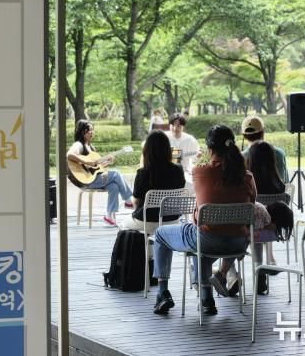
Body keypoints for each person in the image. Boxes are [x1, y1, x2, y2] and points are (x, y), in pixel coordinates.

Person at [151, 125, 255, 316]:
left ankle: (162, 292)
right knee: (200, 239)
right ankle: (207, 300)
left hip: (208, 240)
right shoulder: (247, 176)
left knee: (161, 234)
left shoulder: (200, 172)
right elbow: (252, 205)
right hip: (239, 242)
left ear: (209, 148)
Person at [217, 141, 288, 296]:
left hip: (246, 231)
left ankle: (230, 275)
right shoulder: (279, 184)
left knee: (237, 231)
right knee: (256, 233)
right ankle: (259, 273)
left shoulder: (248, 181)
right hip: (272, 233)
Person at [66, 120, 133, 227]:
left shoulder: (91, 147)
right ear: (82, 132)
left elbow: (96, 168)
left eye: (92, 130)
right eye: (89, 130)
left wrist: (107, 162)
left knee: (114, 186)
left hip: (93, 178)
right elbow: (69, 155)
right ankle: (129, 200)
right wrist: (87, 161)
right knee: (116, 173)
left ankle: (108, 216)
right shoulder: (78, 145)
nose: (92, 132)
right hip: (86, 181)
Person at [119, 130, 186, 234]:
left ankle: (144, 244)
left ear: (147, 150)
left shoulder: (143, 172)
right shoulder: (178, 170)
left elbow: (136, 202)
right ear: (168, 149)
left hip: (147, 221)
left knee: (122, 224)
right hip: (172, 220)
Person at [241, 116, 289, 183]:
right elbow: (285, 182)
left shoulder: (240, 157)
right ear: (263, 132)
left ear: (244, 135)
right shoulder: (279, 153)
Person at [166, 113, 201, 186]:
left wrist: (198, 157)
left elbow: (196, 159)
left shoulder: (190, 140)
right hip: (165, 171)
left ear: (183, 126)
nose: (175, 128)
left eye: (178, 125)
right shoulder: (163, 137)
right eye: (172, 125)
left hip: (184, 172)